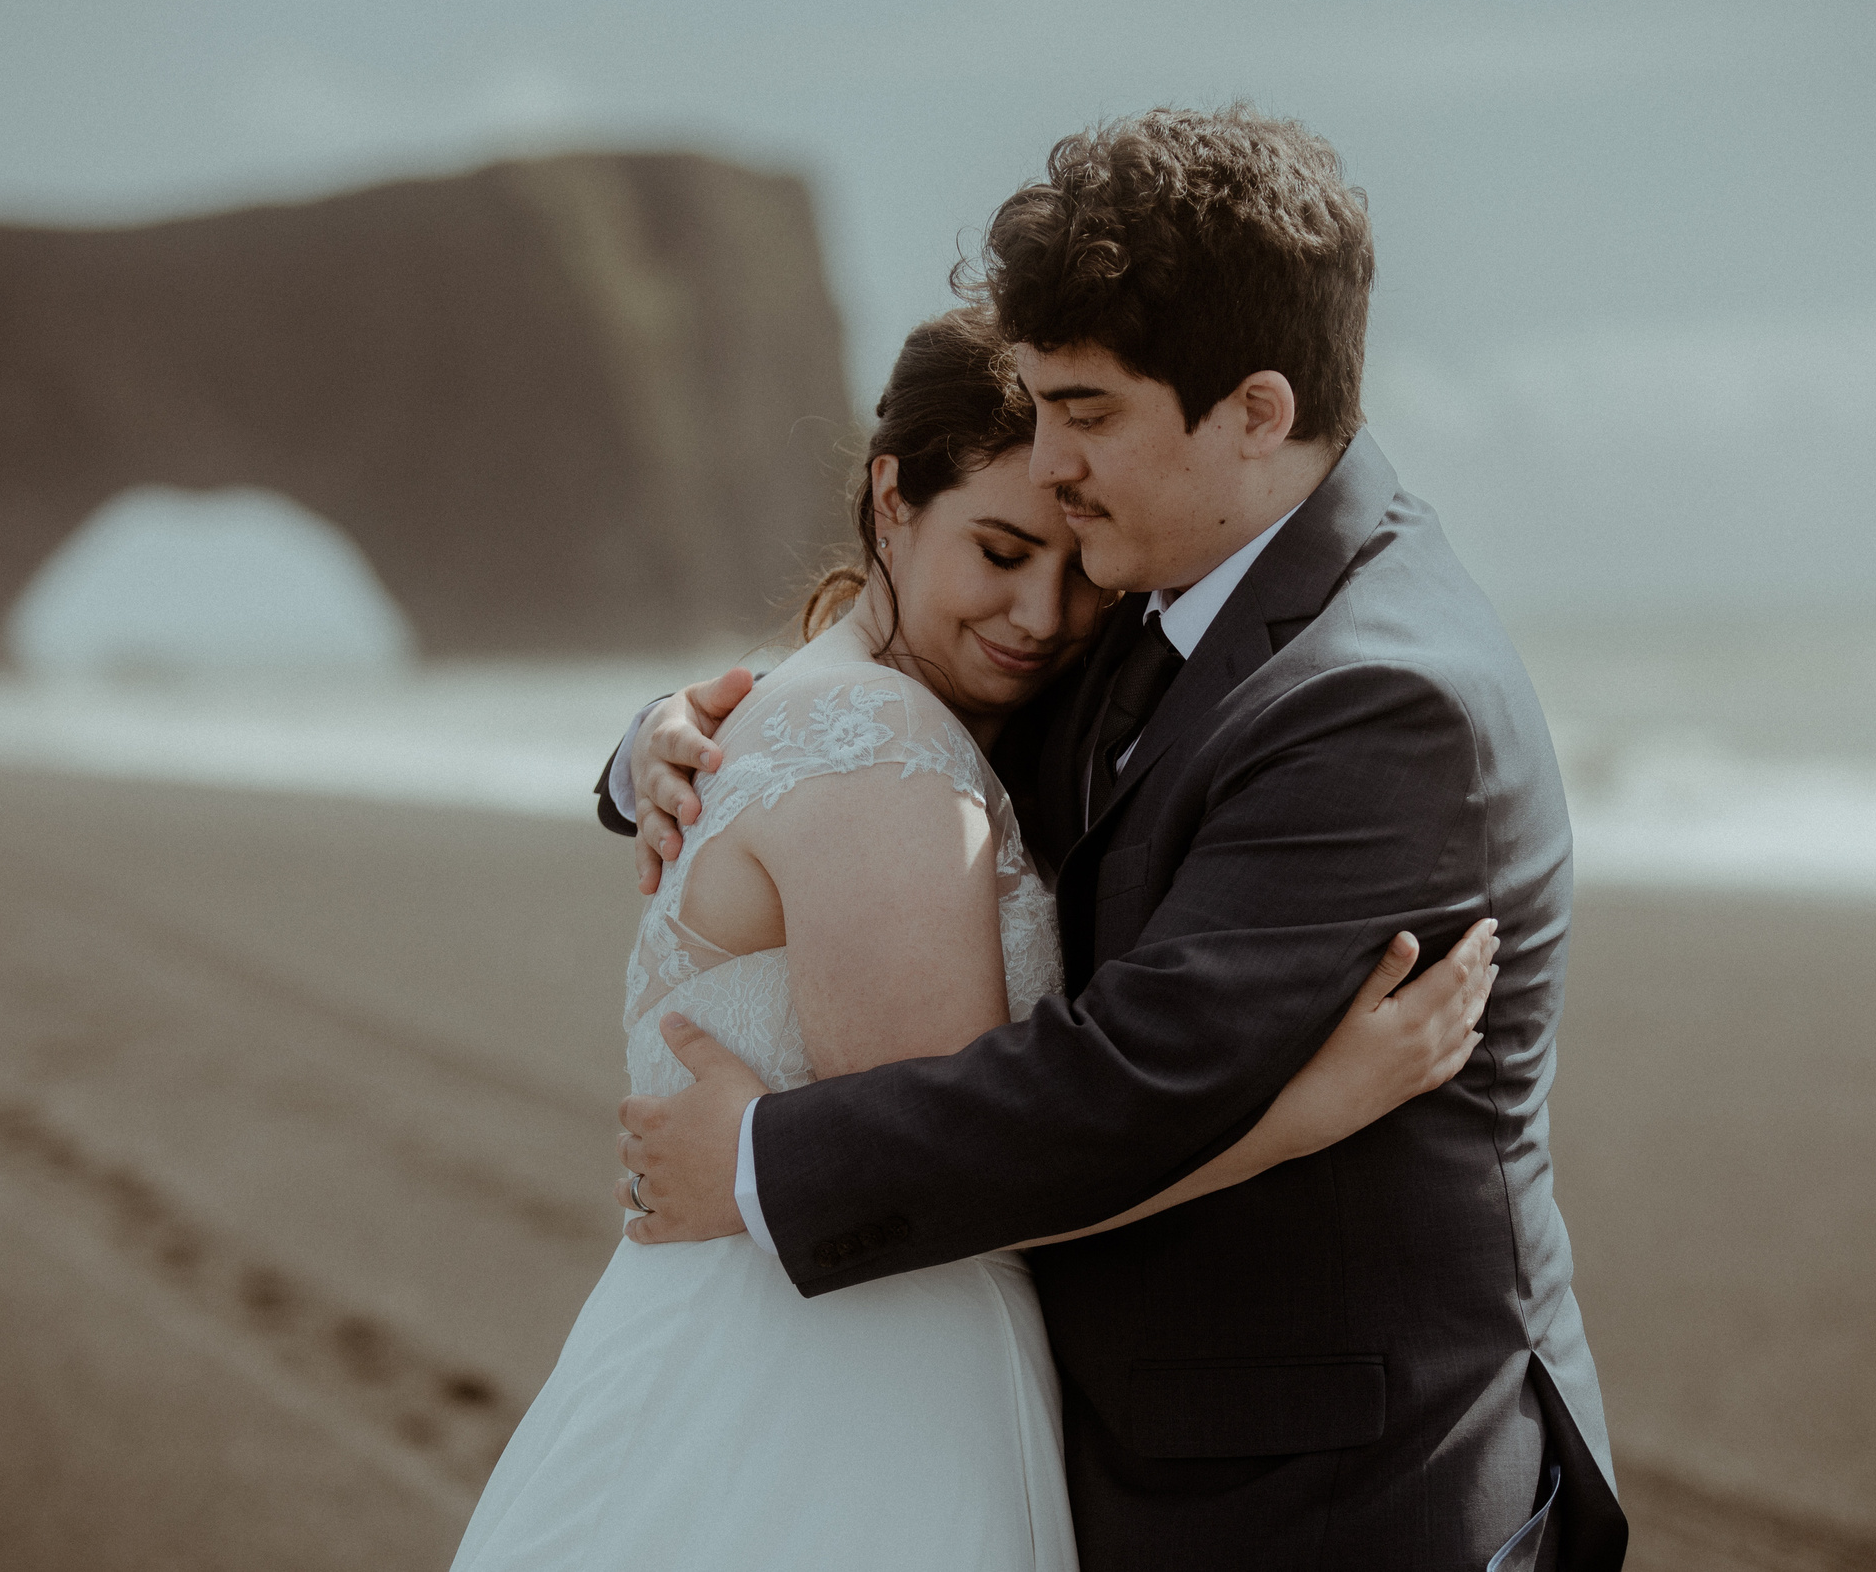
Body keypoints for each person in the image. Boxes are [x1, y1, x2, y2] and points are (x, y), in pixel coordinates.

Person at [612, 107, 1625, 1572]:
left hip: (1338, 1501)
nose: (1049, 459)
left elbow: (1140, 1076)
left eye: (1086, 412)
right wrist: (667, 742)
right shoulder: (1152, 592)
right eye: (1034, 408)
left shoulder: (1378, 696)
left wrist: (764, 1160)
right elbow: (894, 727)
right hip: (1138, 1460)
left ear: (1258, 413)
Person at [447, 304, 1497, 1572]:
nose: (1042, 617)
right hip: (837, 1392)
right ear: (891, 497)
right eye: (998, 551)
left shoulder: (870, 716)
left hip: (800, 1347)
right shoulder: (887, 754)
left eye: (1077, 570)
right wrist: (1311, 1108)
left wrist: (643, 747)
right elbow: (969, 1183)